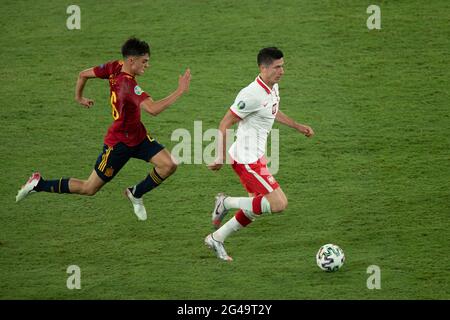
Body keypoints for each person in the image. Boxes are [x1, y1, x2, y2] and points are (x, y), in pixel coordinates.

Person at [16, 37, 191, 221]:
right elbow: (153, 109)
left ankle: (136, 193)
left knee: (169, 164)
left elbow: (83, 74)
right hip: (119, 144)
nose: (147, 65)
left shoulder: (115, 66)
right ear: (132, 60)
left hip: (138, 136)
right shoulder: (128, 85)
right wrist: (180, 91)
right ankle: (38, 184)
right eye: (144, 61)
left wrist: (79, 97)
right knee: (89, 188)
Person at [205, 47, 314, 261]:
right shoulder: (251, 94)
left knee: (254, 208)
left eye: (282, 66)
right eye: (276, 67)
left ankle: (216, 239)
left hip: (256, 157)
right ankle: (224, 203)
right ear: (263, 68)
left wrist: (297, 126)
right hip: (246, 160)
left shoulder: (272, 88)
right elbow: (225, 122)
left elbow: (272, 111)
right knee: (278, 204)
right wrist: (219, 157)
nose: (281, 71)